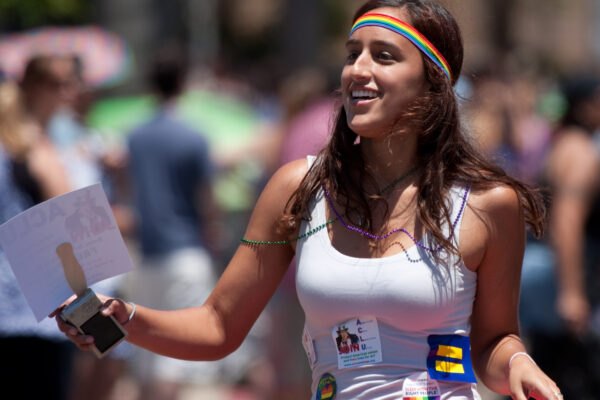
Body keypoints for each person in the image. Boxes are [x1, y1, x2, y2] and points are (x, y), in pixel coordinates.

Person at [55, 1, 560, 398]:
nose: (357, 70)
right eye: (352, 53)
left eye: (383, 56)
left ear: (433, 84)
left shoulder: (488, 204)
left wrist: (519, 363)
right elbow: (218, 327)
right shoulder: (298, 188)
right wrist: (123, 320)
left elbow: (493, 341)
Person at [121, 48, 224, 400]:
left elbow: (128, 189)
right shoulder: (193, 137)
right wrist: (214, 233)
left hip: (146, 252)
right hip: (186, 250)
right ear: (182, 83)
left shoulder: (135, 136)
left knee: (147, 353)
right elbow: (207, 197)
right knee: (174, 359)